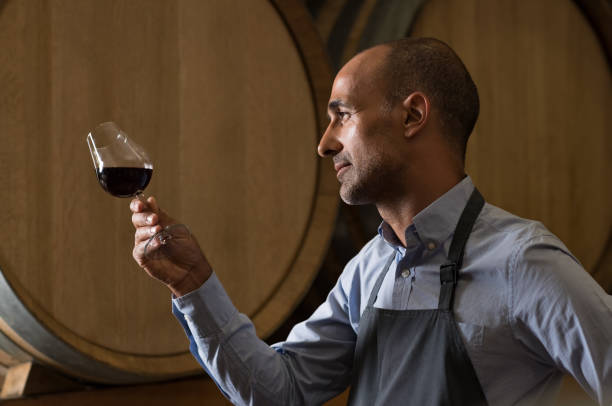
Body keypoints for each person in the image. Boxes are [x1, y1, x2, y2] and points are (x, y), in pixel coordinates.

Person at [130, 38, 612, 405]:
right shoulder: (371, 266)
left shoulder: (523, 263)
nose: (324, 144)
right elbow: (281, 390)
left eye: (342, 115)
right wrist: (194, 284)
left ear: (412, 115)